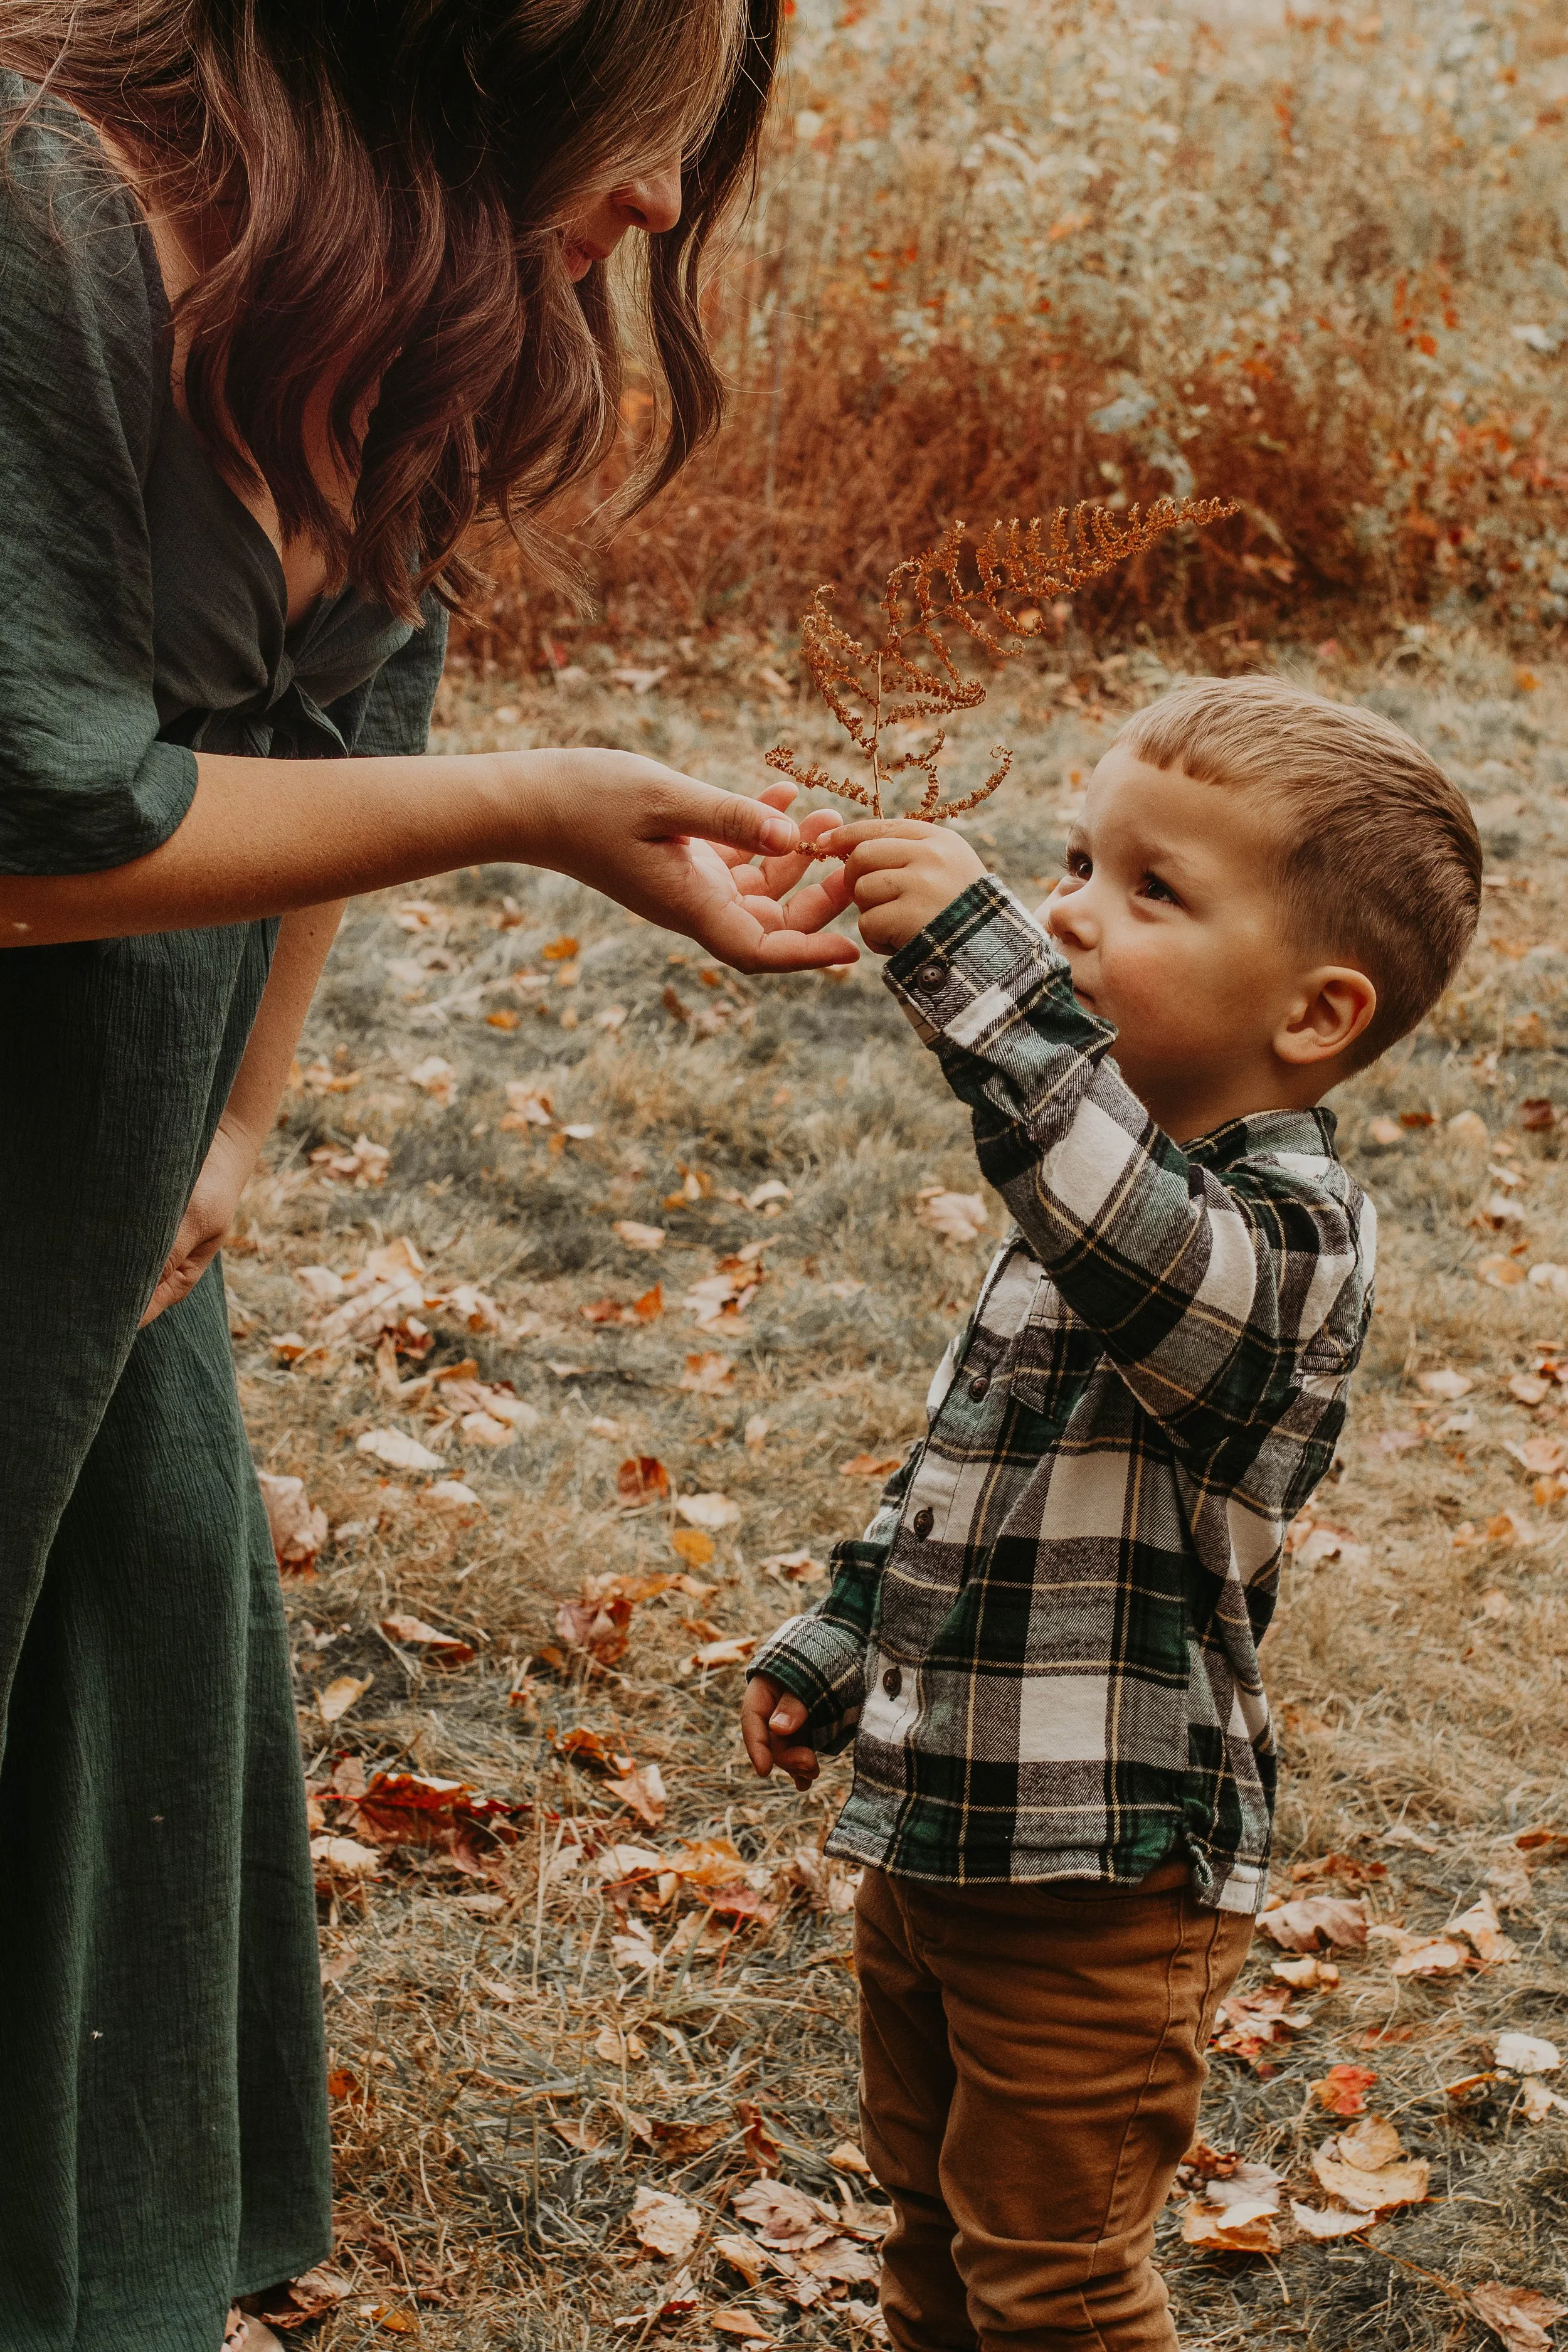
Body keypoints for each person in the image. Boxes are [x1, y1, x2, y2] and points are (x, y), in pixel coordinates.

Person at [0, 6, 848, 2348]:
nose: (667, 204)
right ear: (459, 60)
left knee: (121, 1653)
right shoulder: (40, 223)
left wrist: (246, 1115)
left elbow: (347, 728)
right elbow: (33, 827)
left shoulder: (362, 332)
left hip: (112, 1150)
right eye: (642, 125)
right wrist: (550, 811)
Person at [741, 675, 1483, 2352]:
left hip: (1101, 1880)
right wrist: (849, 1627)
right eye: (1075, 856)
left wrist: (978, 965)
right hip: (941, 1834)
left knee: (1054, 2277)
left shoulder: (1279, 1236)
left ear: (1312, 1014)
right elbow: (970, 1466)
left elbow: (1104, 1192)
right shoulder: (1088, 1191)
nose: (1068, 905)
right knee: (931, 2228)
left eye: (1150, 889)